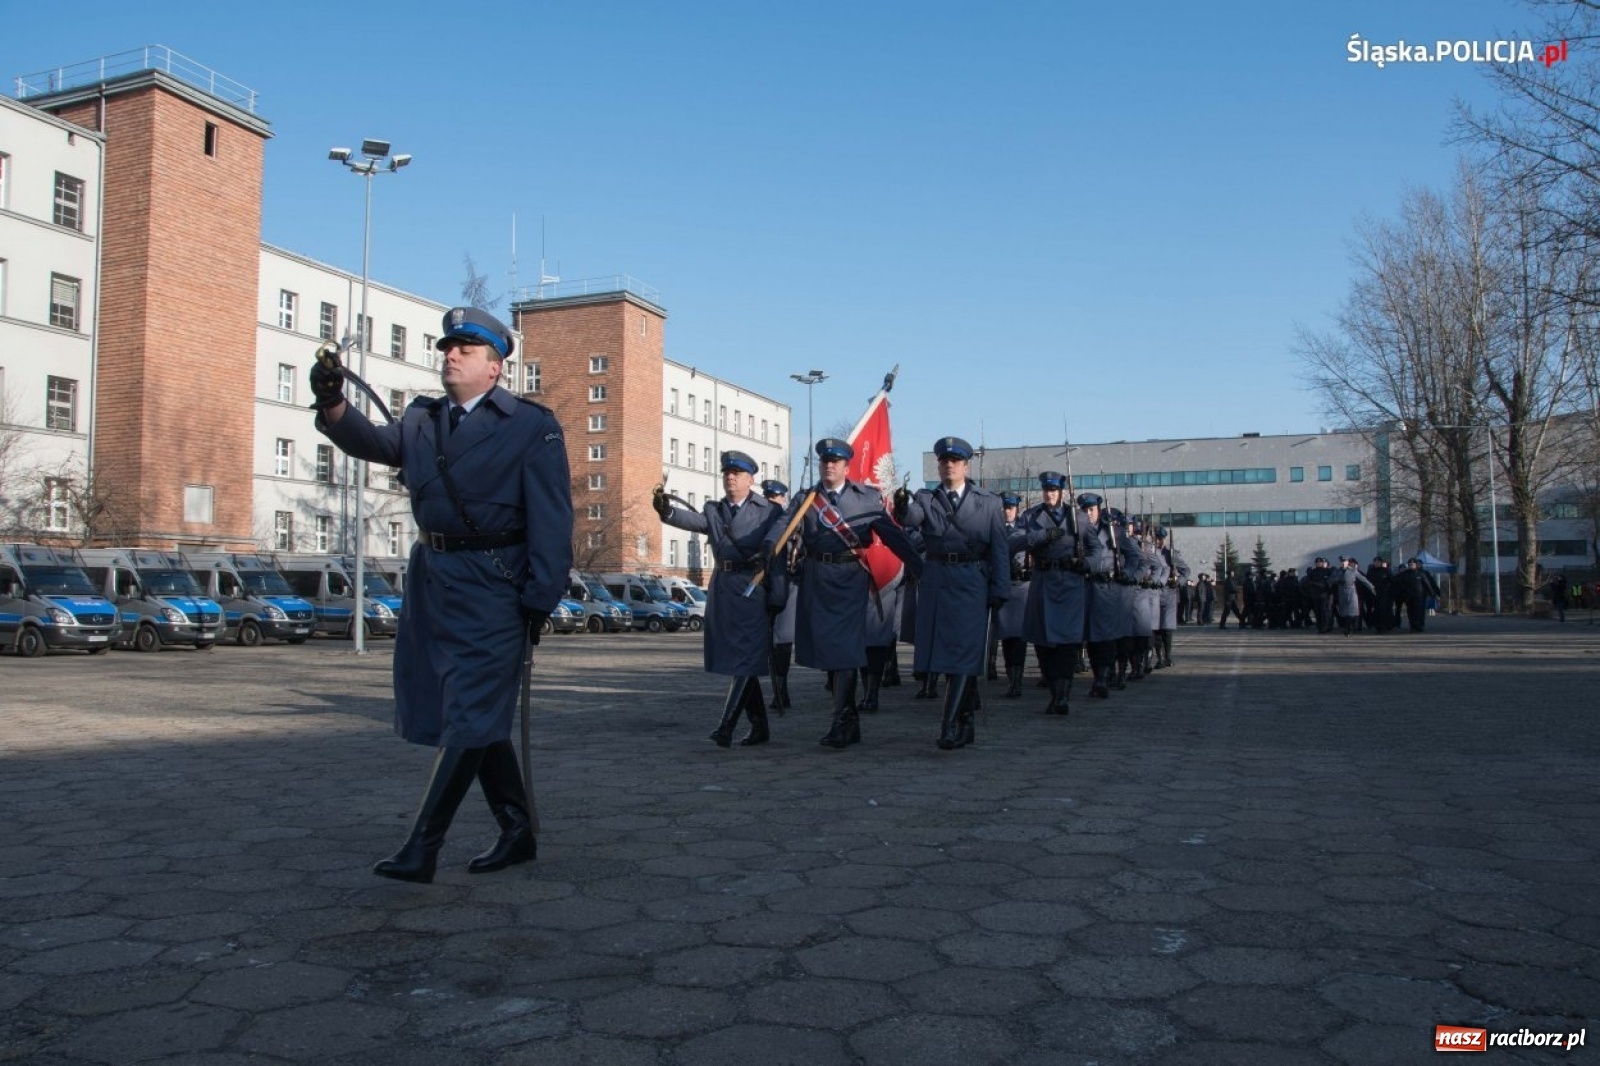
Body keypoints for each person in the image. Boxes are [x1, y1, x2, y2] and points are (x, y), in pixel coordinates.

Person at [310, 307, 573, 884]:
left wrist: (541, 596)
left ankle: (422, 846)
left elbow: (553, 519)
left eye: (466, 350)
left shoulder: (532, 427)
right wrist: (332, 403)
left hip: (494, 584)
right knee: (467, 712)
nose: (450, 355)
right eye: (447, 347)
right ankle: (518, 829)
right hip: (433, 580)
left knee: (471, 712)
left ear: (496, 368)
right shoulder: (423, 420)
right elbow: (373, 443)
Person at [782, 438, 920, 749]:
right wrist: (768, 550)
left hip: (848, 580)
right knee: (829, 653)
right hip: (816, 581)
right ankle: (850, 718)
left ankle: (842, 719)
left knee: (844, 649)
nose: (829, 465)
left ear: (847, 466)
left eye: (835, 461)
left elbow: (895, 538)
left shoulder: (866, 499)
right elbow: (783, 527)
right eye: (824, 461)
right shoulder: (807, 499)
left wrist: (922, 569)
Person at [654, 453, 787, 747]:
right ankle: (759, 726)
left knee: (746, 658)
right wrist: (667, 512)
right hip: (724, 590)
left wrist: (778, 594)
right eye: (727, 472)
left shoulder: (768, 512)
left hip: (752, 588)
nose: (730, 477)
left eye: (737, 473)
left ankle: (725, 726)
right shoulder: (715, 510)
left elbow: (778, 557)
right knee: (738, 659)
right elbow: (696, 521)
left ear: (750, 479)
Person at [893, 437, 1009, 750]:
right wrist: (901, 505)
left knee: (963, 652)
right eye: (944, 461)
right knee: (948, 653)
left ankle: (949, 725)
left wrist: (1000, 589)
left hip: (971, 580)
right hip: (938, 581)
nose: (948, 466)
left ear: (966, 466)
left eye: (955, 461)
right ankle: (966, 723)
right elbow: (911, 518)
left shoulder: (988, 502)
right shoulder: (927, 499)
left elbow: (999, 548)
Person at [1017, 474, 1110, 715]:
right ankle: (1053, 688)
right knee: (1043, 641)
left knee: (1067, 642)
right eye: (1046, 490)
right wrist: (1042, 536)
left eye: (1054, 490)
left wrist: (1086, 564)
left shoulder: (1078, 517)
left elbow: (1096, 548)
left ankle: (1062, 695)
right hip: (1043, 580)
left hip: (1070, 581)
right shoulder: (1032, 516)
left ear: (1062, 492)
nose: (1050, 494)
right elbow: (1014, 541)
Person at [761, 480, 799, 709]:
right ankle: (777, 687)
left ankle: (781, 689)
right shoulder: (760, 523)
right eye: (768, 498)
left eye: (776, 498)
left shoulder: (792, 522)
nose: (772, 502)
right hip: (763, 584)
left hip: (789, 583)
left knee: (783, 639)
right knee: (768, 640)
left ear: (784, 499)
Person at [995, 492, 1032, 698]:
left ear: (1017, 509)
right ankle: (1010, 678)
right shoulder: (995, 529)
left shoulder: (1026, 530)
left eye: (1010, 508)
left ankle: (1017, 681)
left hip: (1021, 588)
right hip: (1003, 587)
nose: (1007, 512)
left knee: (1018, 638)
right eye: (1004, 508)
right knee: (1007, 638)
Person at [1152, 526, 1189, 668]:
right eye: (1157, 538)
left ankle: (1167, 656)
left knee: (1167, 627)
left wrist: (1178, 582)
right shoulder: (1151, 553)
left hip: (1169, 592)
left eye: (1161, 539)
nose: (1159, 541)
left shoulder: (1172, 554)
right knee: (1156, 628)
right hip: (1155, 592)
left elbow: (1186, 571)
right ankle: (1159, 657)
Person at [1335, 557, 1376, 636]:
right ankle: (1347, 629)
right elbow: (1331, 580)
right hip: (1342, 591)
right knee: (1344, 612)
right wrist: (1337, 576)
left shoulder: (1353, 571)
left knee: (1352, 611)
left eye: (1345, 561)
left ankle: (1351, 629)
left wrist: (1372, 587)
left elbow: (1363, 579)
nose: (1343, 563)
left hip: (1351, 591)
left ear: (1348, 563)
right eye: (1342, 562)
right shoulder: (1337, 571)